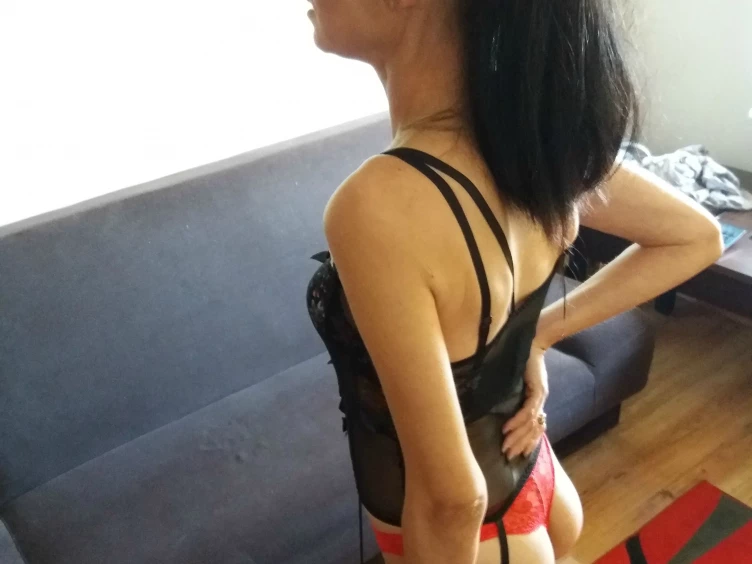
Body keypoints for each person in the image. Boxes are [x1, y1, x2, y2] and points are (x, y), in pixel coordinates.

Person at [304, 1, 724, 563]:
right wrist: (537, 336)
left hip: (473, 538)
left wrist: (540, 334)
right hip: (533, 482)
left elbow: (454, 498)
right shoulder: (529, 143)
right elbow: (695, 236)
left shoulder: (374, 204)